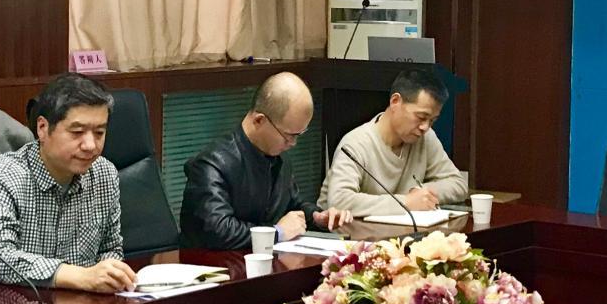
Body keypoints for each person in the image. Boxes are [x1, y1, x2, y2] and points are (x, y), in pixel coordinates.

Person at [0, 72, 134, 293]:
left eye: (99, 132)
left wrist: (111, 275)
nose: (90, 145)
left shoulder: (104, 174)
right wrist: (78, 276)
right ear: (43, 128)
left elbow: (110, 249)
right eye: (77, 132)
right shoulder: (1, 177)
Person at [179, 73, 348, 250]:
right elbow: (218, 230)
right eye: (289, 135)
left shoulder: (279, 158)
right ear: (259, 120)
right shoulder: (212, 165)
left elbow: (292, 204)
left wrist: (316, 217)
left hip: (264, 260)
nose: (293, 143)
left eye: (299, 135)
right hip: (213, 264)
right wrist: (277, 233)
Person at [317, 68, 468, 223]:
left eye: (432, 120)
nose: (425, 127)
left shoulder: (425, 138)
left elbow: (458, 184)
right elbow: (339, 200)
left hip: (399, 232)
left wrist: (421, 194)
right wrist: (406, 202)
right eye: (421, 117)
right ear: (395, 101)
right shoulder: (355, 144)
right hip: (347, 234)